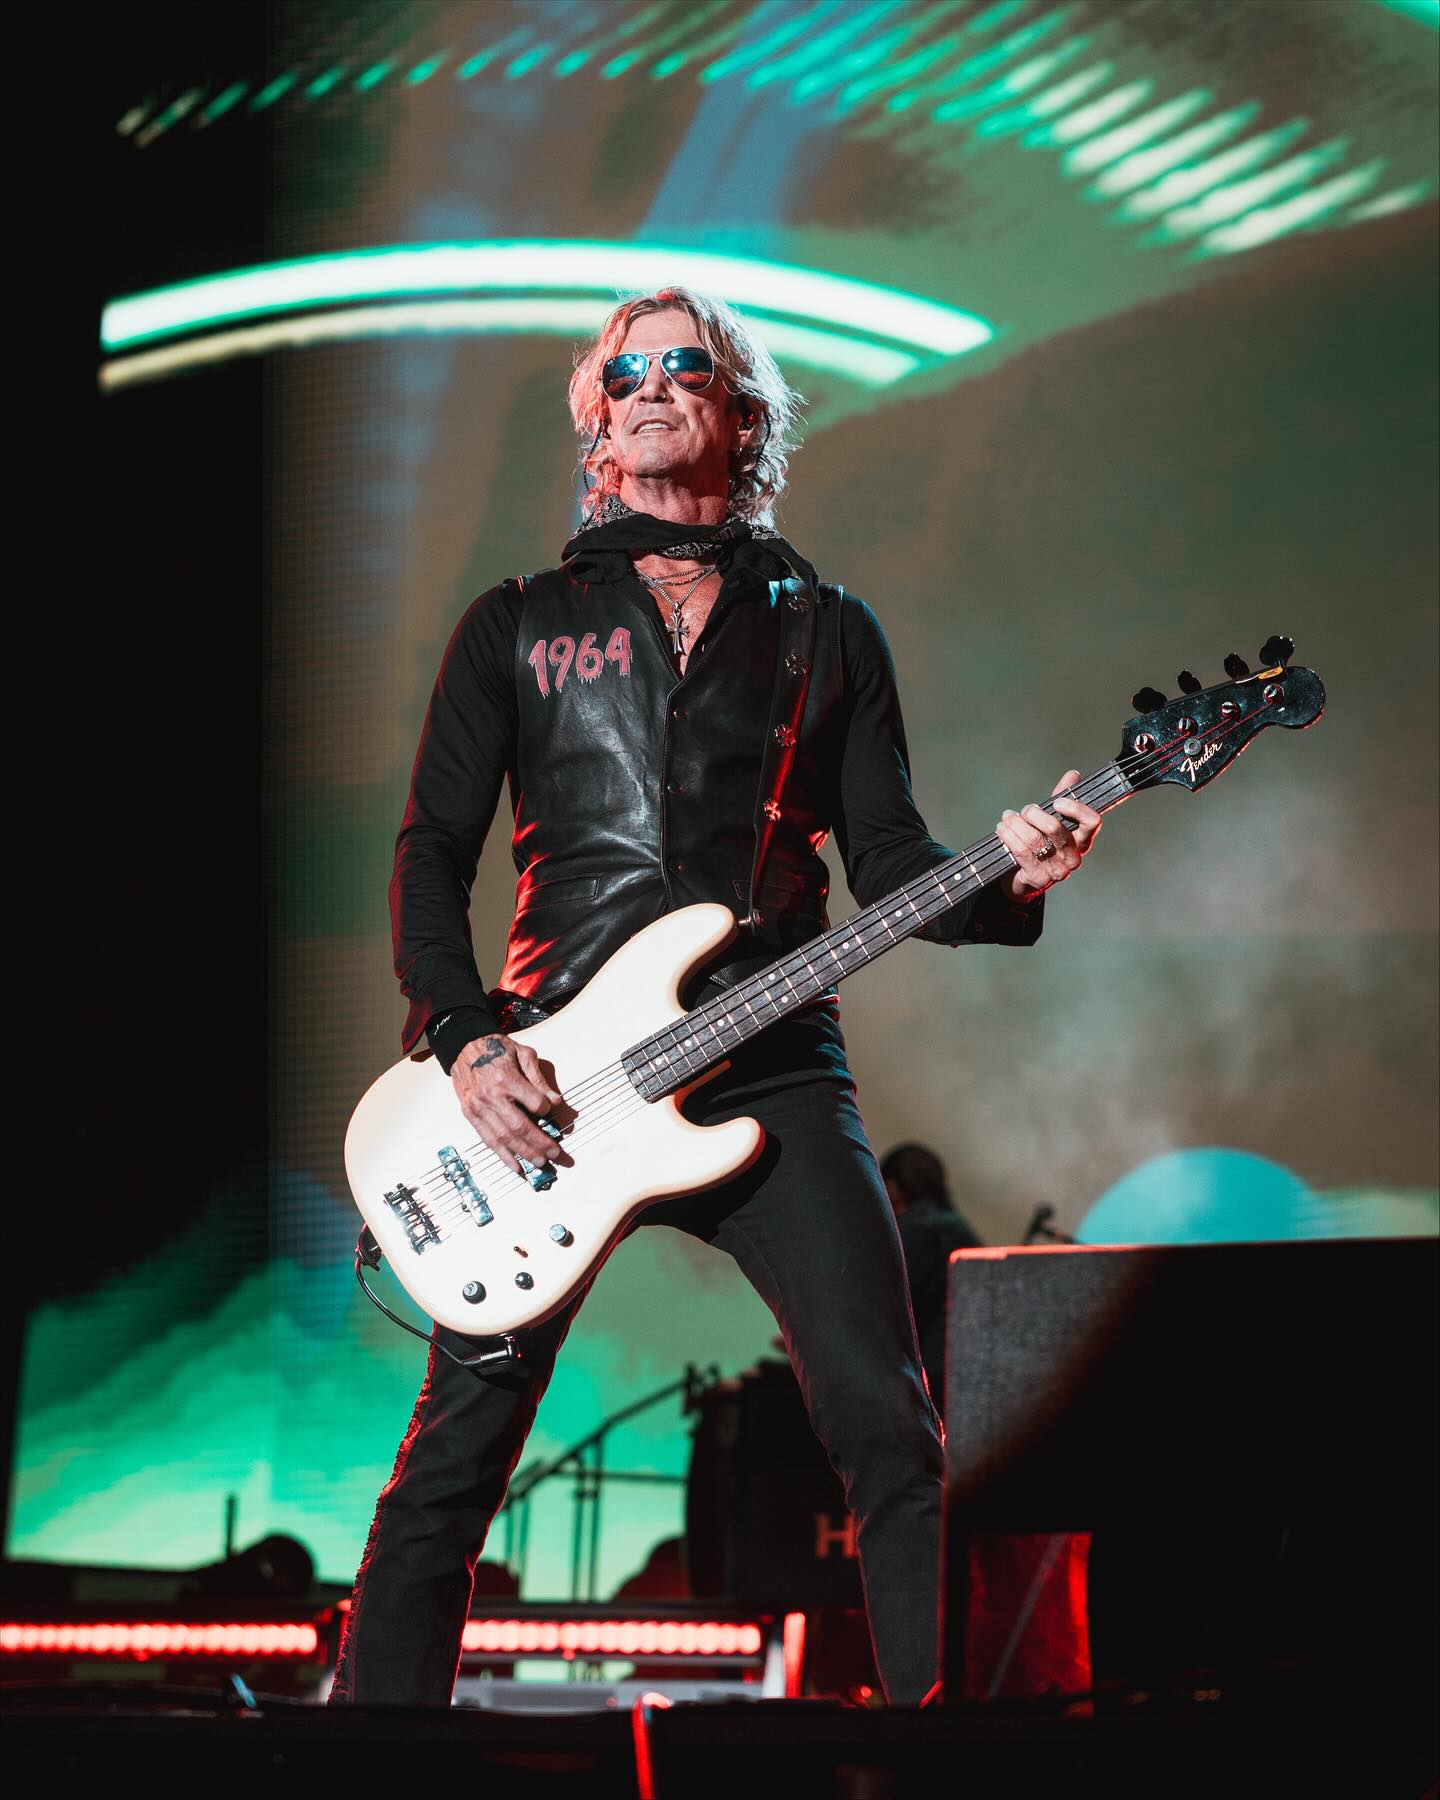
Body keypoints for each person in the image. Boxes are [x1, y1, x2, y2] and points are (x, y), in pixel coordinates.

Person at [330, 286, 1102, 1708]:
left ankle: (941, 1758)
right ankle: (368, 1763)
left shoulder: (830, 631)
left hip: (774, 1059)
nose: (650, 385)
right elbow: (430, 851)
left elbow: (890, 864)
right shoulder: (517, 623)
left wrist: (1014, 879)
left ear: (743, 414)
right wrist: (468, 1041)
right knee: (455, 1456)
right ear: (595, 423)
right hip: (546, 1082)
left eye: (684, 364)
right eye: (622, 372)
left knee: (890, 1428)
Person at [881, 1144, 984, 1416]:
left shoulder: (914, 1233)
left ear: (892, 1188)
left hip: (931, 1383)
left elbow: (888, 1309)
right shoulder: (961, 1231)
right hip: (972, 1372)